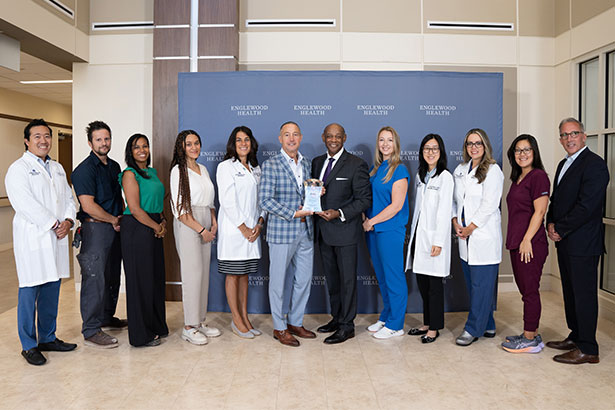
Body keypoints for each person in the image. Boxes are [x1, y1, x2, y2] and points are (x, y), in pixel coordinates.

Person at [5, 118, 77, 365]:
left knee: (51, 288)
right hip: (34, 238)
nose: (43, 141)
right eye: (37, 136)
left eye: (47, 136)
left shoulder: (57, 168)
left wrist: (68, 220)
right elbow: (24, 203)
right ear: (26, 141)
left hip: (56, 237)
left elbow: (69, 197)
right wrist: (54, 224)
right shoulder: (18, 169)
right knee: (30, 289)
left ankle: (48, 337)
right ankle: (29, 345)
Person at [546, 118, 609, 365]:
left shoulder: (595, 165)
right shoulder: (564, 164)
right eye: (564, 135)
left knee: (583, 295)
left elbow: (587, 206)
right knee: (571, 293)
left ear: (584, 136)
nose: (569, 138)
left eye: (573, 133)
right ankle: (576, 336)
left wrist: (560, 227)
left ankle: (588, 348)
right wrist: (550, 223)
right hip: (566, 242)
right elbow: (557, 200)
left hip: (583, 244)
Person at [312, 123, 372, 344]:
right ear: (323, 137)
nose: (333, 140)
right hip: (323, 232)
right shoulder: (317, 162)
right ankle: (337, 319)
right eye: (329, 136)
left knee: (347, 282)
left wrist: (339, 212)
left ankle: (347, 326)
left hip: (345, 232)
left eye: (338, 136)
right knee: (333, 281)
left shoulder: (356, 164)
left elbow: (364, 200)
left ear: (345, 138)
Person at [259, 121, 315, 347]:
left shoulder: (308, 164)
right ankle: (279, 328)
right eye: (286, 135)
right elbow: (265, 200)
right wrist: (293, 212)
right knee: (278, 282)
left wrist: (317, 193)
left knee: (303, 280)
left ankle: (295, 321)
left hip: (306, 229)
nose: (291, 139)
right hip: (282, 232)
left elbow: (310, 194)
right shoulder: (271, 165)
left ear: (300, 138)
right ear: (280, 138)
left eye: (295, 135)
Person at [71, 121, 127, 349]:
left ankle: (106, 316)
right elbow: (88, 205)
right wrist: (113, 219)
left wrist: (122, 217)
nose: (104, 143)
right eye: (99, 139)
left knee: (112, 275)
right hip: (96, 229)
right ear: (90, 142)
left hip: (115, 227)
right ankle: (91, 329)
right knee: (94, 279)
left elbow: (118, 197)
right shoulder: (84, 170)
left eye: (107, 138)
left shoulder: (114, 167)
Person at [452, 128, 504, 346]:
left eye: (478, 143)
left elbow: (490, 204)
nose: (474, 147)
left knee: (482, 286)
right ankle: (489, 324)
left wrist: (470, 227)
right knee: (475, 286)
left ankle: (473, 328)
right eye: (469, 144)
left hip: (482, 237)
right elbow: (455, 201)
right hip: (464, 237)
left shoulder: (493, 171)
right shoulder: (460, 169)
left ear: (485, 146)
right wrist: (455, 221)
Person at [170, 130, 221, 345]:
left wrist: (213, 221)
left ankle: (199, 321)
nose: (194, 147)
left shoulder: (203, 169)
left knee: (203, 275)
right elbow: (181, 210)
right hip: (189, 223)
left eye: (197, 143)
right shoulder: (178, 171)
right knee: (192, 275)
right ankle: (188, 327)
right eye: (189, 144)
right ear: (181, 147)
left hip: (205, 221)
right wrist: (202, 230)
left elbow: (209, 201)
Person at [501, 135, 549, 354]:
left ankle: (530, 340)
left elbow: (540, 211)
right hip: (517, 243)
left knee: (530, 291)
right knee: (525, 290)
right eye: (518, 150)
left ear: (534, 152)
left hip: (530, 244)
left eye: (527, 149)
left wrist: (527, 239)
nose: (522, 154)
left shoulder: (538, 176)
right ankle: (530, 332)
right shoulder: (518, 178)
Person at [119, 133, 169, 347]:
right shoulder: (129, 174)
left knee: (155, 280)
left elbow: (158, 201)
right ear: (130, 152)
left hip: (154, 225)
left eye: (145, 146)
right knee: (140, 283)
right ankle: (141, 335)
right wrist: (156, 226)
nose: (142, 150)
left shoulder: (152, 172)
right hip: (137, 229)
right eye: (137, 147)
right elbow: (136, 209)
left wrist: (162, 221)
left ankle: (156, 325)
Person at [217, 126, 265, 339]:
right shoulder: (225, 167)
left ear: (251, 143)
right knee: (233, 274)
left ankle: (245, 317)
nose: (243, 143)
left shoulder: (256, 168)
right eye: (239, 140)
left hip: (253, 231)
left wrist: (260, 222)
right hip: (235, 231)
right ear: (233, 144)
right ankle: (236, 320)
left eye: (246, 139)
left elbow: (262, 199)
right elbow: (227, 201)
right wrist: (244, 228)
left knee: (244, 275)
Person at [405, 134, 453, 344]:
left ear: (440, 152)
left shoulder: (445, 177)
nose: (430, 152)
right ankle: (426, 322)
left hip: (434, 239)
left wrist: (439, 242)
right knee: (423, 283)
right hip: (419, 236)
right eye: (426, 148)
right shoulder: (421, 175)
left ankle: (434, 328)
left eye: (434, 148)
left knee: (434, 286)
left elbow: (444, 212)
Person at [363, 126, 410, 339]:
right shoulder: (377, 169)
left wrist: (371, 221)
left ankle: (396, 324)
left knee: (394, 277)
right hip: (373, 230)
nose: (385, 144)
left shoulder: (399, 169)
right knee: (382, 277)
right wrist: (367, 219)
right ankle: (386, 315)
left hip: (389, 230)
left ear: (396, 144)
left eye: (389, 140)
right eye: (381, 140)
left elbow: (396, 206)